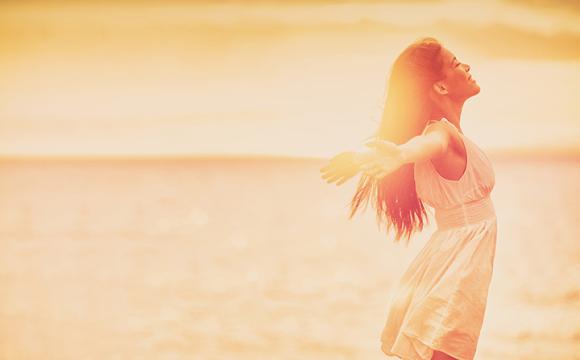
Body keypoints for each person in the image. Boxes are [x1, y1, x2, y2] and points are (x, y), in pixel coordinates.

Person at [319, 37, 497, 360]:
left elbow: (412, 145)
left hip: (454, 259)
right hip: (459, 268)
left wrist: (363, 158)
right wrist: (400, 154)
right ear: (441, 88)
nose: (467, 66)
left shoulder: (446, 134)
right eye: (456, 64)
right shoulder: (442, 134)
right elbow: (423, 146)